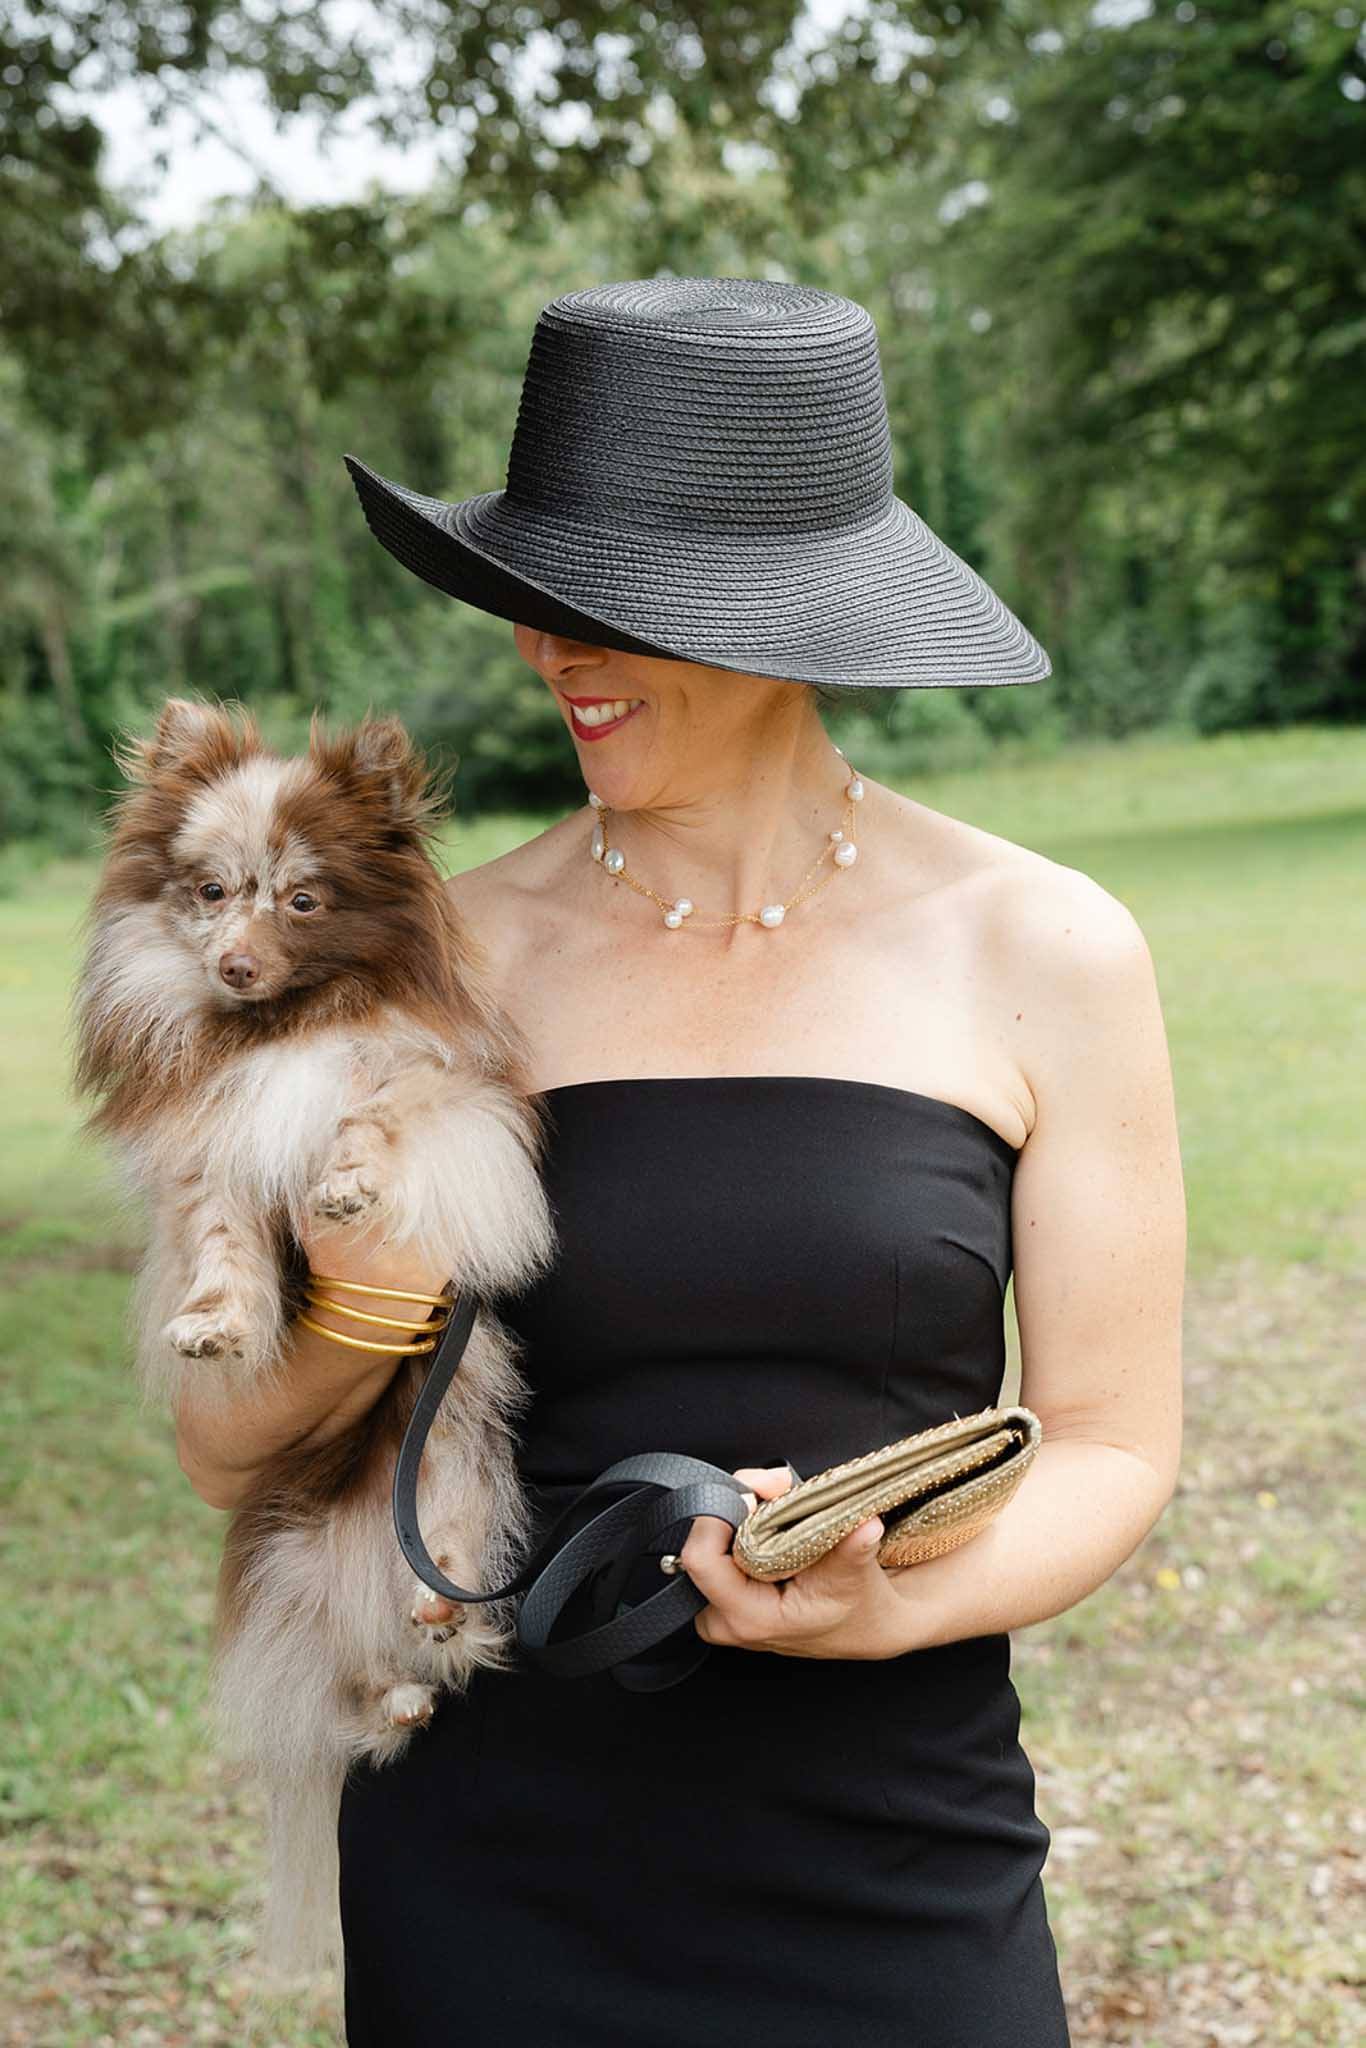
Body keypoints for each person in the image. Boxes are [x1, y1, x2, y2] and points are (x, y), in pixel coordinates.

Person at [176, 279, 1186, 2046]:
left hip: (894, 1846)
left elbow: (1109, 1439)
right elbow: (221, 1446)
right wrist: (365, 1310)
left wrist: (893, 1609)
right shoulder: (429, 961)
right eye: (530, 599)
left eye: (603, 606)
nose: (546, 652)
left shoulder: (1044, 950)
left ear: (790, 616)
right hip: (489, 1855)